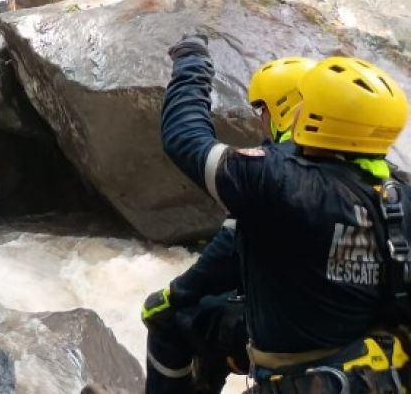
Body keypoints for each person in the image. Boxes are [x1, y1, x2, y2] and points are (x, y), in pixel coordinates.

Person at [161, 38, 411, 392]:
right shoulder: (399, 196)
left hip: (301, 380)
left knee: (186, 319)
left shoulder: (278, 181)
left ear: (316, 117)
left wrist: (192, 62)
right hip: (376, 375)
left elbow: (183, 137)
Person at [141, 56, 315, 393]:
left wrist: (174, 294)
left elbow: (228, 252)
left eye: (262, 110)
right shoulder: (389, 189)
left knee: (172, 317)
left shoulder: (272, 174)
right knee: (220, 307)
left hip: (283, 336)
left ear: (282, 109)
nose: (260, 120)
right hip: (356, 342)